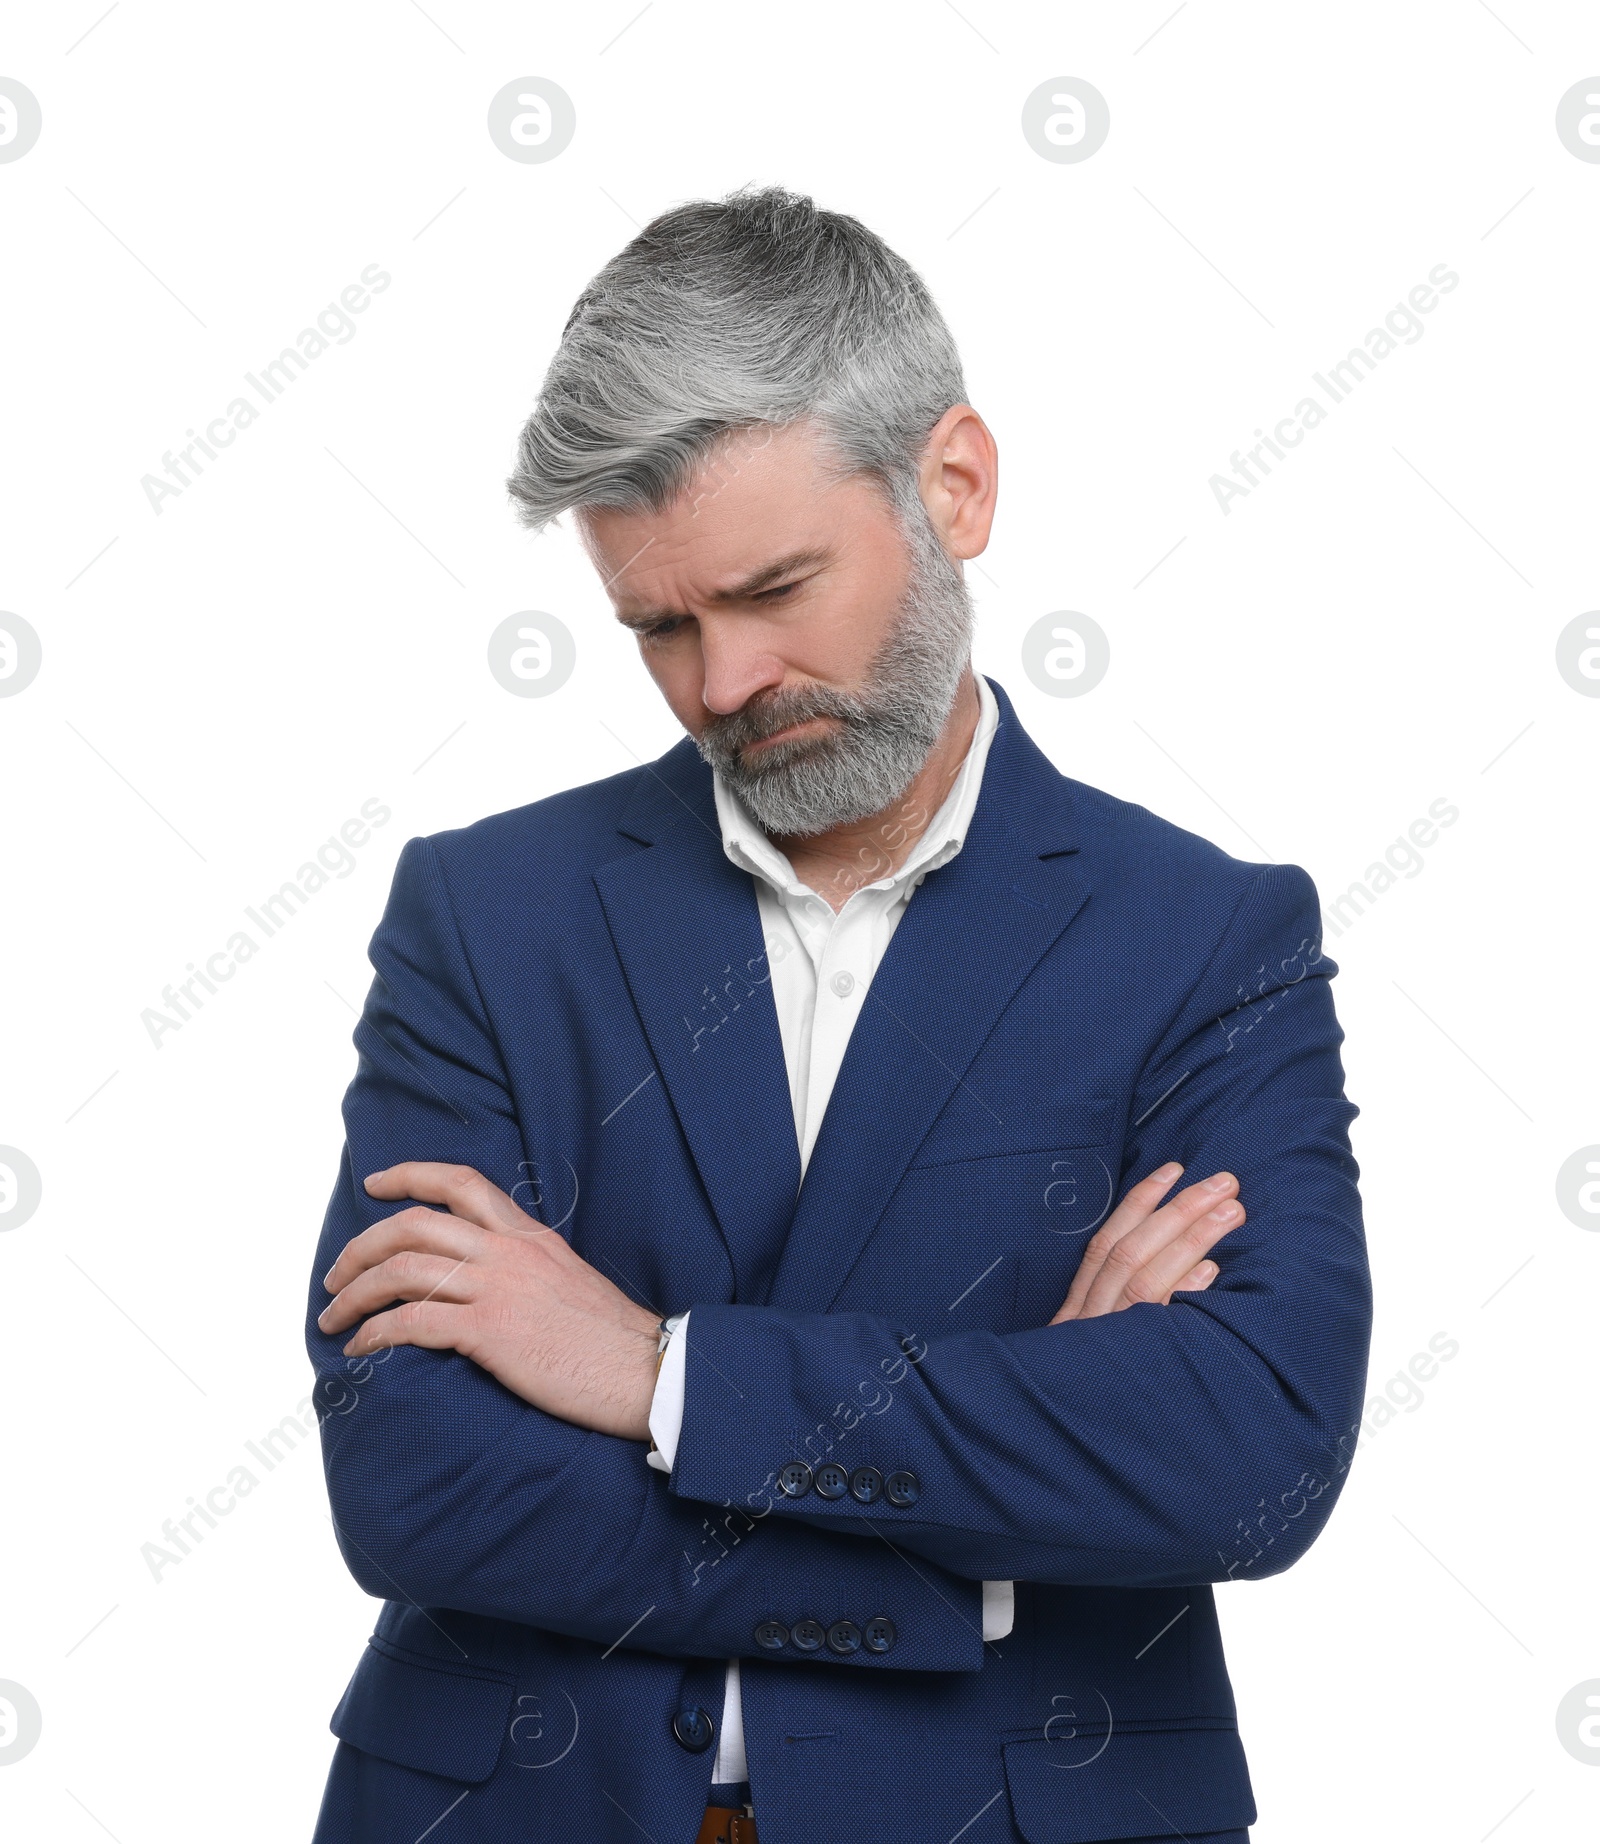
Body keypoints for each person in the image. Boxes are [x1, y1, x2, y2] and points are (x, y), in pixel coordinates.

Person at [306, 184, 1371, 1844]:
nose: (722, 685)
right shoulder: (485, 915)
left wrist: (657, 1373)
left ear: (953, 485)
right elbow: (415, 1479)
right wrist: (1001, 1511)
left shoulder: (1206, 939)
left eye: (774, 589)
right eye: (659, 626)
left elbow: (1253, 1456)